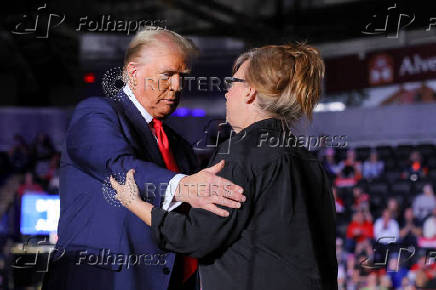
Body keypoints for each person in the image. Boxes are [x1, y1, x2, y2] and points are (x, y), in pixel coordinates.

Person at [111, 43, 338, 289]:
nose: (227, 92)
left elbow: (194, 236)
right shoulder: (308, 159)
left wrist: (135, 203)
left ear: (250, 91)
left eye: (233, 82)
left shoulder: (242, 152)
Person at [42, 27, 246, 290]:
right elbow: (119, 167)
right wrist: (183, 186)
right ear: (134, 72)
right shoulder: (96, 113)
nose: (177, 86)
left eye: (182, 76)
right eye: (167, 74)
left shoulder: (180, 147)